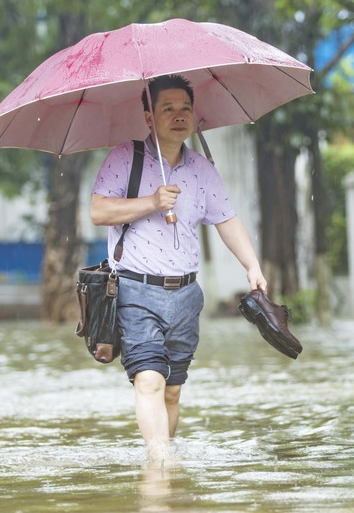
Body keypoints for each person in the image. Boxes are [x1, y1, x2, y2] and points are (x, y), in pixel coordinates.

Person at [90, 74, 267, 462]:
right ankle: (159, 469)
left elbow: (227, 220)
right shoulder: (125, 158)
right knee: (149, 380)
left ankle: (162, 461)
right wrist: (151, 202)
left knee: (172, 389)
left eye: (185, 108)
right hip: (135, 288)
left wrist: (251, 265)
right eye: (167, 108)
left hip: (187, 295)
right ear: (149, 117)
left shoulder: (202, 169)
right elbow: (99, 210)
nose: (178, 115)